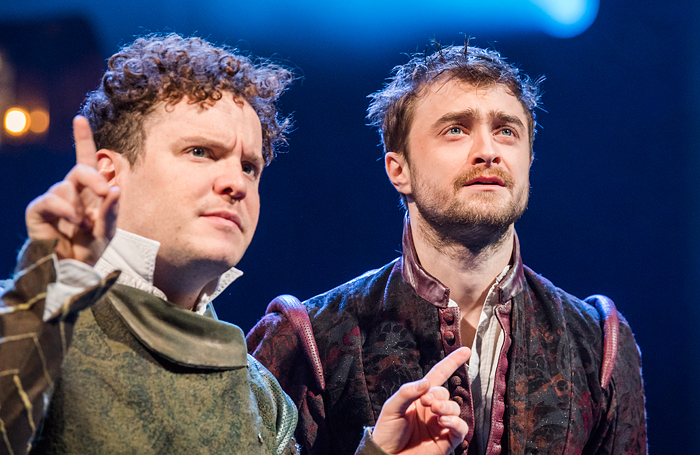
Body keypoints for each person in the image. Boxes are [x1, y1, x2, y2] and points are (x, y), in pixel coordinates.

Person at [0, 35, 471, 455]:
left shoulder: (261, 393)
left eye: (249, 166)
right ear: (109, 173)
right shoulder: (31, 315)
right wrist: (51, 283)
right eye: (200, 152)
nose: (236, 183)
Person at [248, 43, 648, 455]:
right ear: (398, 170)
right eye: (455, 129)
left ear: (529, 160)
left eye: (506, 131)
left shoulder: (599, 345)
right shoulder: (307, 339)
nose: (488, 152)